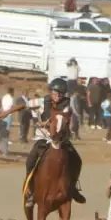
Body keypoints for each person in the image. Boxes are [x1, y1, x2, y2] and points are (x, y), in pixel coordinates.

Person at [22, 78, 86, 208]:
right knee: (30, 161)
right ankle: (30, 190)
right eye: (56, 92)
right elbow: (25, 105)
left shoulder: (67, 104)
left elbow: (68, 118)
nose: (58, 95)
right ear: (51, 91)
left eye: (61, 93)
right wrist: (7, 113)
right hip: (43, 138)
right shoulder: (41, 101)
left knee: (77, 160)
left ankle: (73, 188)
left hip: (61, 139)